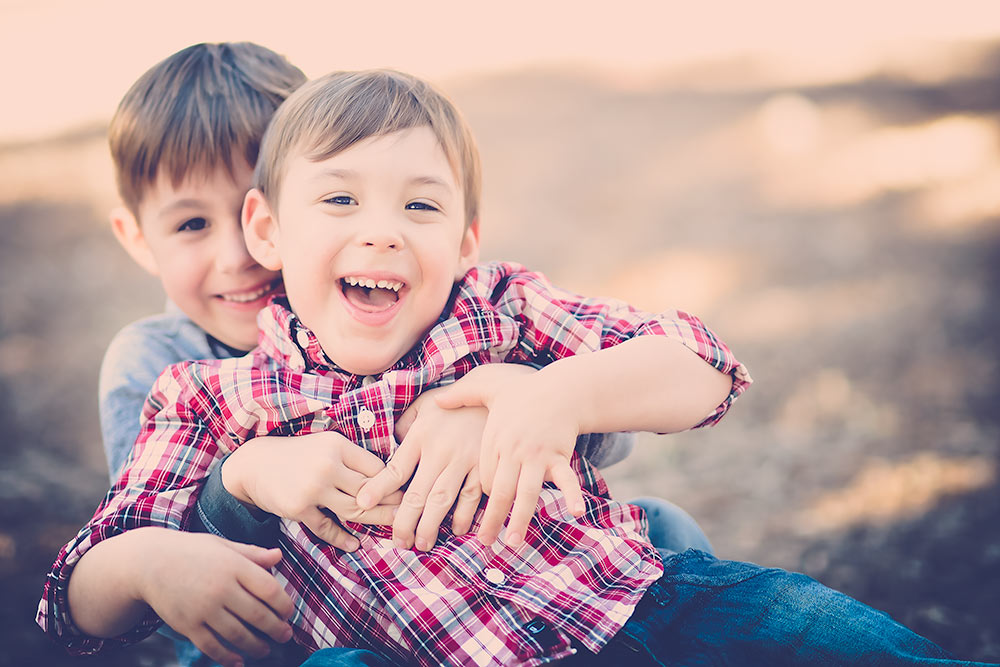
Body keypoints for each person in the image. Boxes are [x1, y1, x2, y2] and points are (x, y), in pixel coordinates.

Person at [39, 68, 979, 666]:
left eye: (419, 206)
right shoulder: (199, 390)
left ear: (465, 239)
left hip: (620, 605)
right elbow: (78, 593)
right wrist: (160, 552)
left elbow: (704, 365)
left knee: (789, 615)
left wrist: (550, 392)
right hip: (388, 647)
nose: (379, 228)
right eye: (339, 197)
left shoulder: (499, 311)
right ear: (271, 226)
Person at [87, 45, 710, 667]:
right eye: (193, 225)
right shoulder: (164, 367)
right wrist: (241, 477)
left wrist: (501, 404)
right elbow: (149, 541)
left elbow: (611, 435)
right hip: (269, 626)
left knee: (663, 528)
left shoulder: (406, 299)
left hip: (456, 589)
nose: (240, 256)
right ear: (137, 237)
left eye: (331, 198)